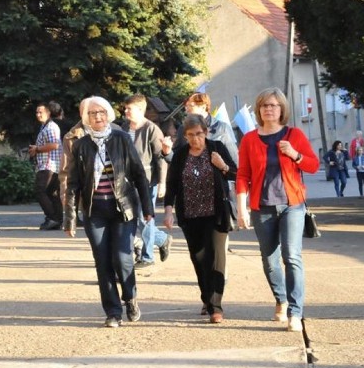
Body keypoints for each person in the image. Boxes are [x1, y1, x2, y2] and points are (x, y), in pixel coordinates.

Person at [63, 96, 154, 328]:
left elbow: (138, 175)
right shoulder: (81, 146)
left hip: (123, 208)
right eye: (93, 113)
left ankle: (130, 297)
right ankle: (113, 311)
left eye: (102, 112)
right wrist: (70, 218)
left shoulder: (121, 139)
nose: (98, 117)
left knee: (123, 259)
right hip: (96, 212)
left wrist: (148, 208)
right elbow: (73, 183)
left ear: (109, 115)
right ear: (86, 118)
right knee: (102, 262)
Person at [235, 87, 318, 332]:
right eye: (264, 106)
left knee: (291, 256)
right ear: (259, 110)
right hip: (262, 206)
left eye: (274, 105)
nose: (269, 109)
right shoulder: (249, 139)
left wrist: (295, 154)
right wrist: (242, 208)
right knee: (270, 260)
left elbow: (313, 166)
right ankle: (280, 299)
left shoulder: (294, 135)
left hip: (292, 204)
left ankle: (295, 311)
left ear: (282, 109)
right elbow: (242, 175)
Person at [163, 114, 237, 323]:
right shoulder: (180, 155)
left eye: (199, 134)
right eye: (190, 135)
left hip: (216, 213)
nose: (196, 139)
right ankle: (206, 297)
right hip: (190, 214)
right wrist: (169, 211)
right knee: (199, 258)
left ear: (206, 132)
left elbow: (236, 173)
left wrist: (222, 165)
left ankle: (216, 307)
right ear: (185, 136)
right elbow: (172, 185)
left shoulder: (217, 148)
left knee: (216, 259)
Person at [123, 94, 173, 268]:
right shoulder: (124, 128)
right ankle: (161, 238)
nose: (126, 111)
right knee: (131, 217)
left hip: (147, 181)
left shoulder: (152, 129)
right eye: (126, 108)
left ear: (140, 110)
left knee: (146, 218)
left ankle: (147, 256)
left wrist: (162, 182)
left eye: (129, 108)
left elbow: (161, 157)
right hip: (126, 182)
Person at [162, 92, 239, 166]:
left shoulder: (222, 128)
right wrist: (167, 152)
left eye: (190, 106)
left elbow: (235, 160)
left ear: (203, 107)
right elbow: (176, 160)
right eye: (186, 106)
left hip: (216, 178)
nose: (186, 110)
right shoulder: (183, 129)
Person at [30, 102, 62, 230]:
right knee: (52, 194)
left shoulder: (50, 127)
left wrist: (37, 149)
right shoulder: (44, 127)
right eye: (37, 112)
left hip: (49, 166)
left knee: (40, 191)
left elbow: (54, 145)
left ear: (49, 113)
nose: (38, 115)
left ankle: (52, 218)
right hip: (49, 165)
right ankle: (57, 220)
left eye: (41, 112)